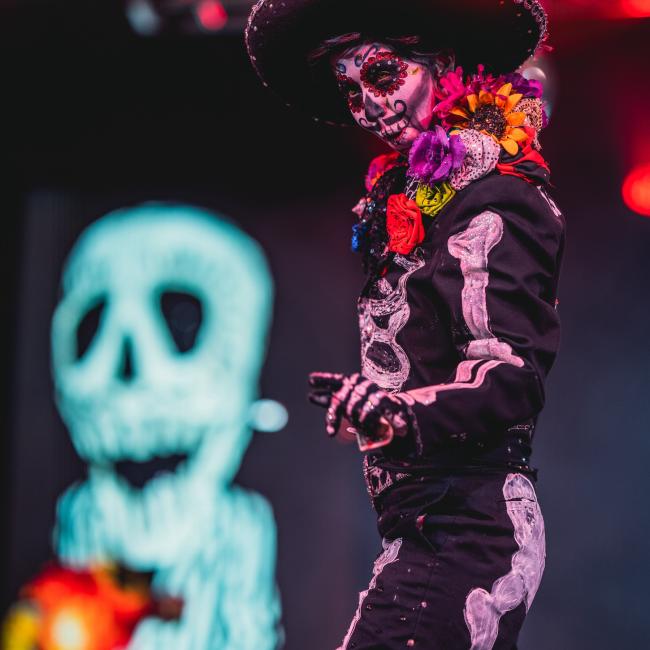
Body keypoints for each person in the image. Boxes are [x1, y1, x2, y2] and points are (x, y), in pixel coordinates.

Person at [247, 1, 564, 648]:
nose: (367, 104)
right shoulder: (422, 198)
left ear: (443, 65)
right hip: (419, 532)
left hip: (472, 533)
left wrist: (399, 414)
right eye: (349, 88)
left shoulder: (498, 195)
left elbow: (511, 376)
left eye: (384, 74)